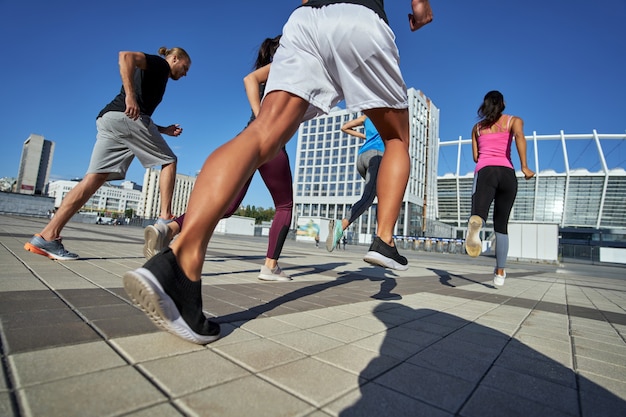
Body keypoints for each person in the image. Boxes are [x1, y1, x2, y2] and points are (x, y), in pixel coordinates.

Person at [123, 0, 434, 344]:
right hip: (360, 18)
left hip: (305, 21)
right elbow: (419, 9)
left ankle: (178, 264)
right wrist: (420, 10)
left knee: (260, 133)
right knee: (395, 138)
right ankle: (384, 239)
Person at [143, 36, 294, 282]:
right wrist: (262, 120)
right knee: (284, 205)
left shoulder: (271, 73)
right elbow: (249, 80)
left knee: (228, 205)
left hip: (245, 138)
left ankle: (168, 228)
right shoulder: (287, 67)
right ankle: (270, 266)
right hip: (270, 142)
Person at [24, 47, 190, 260]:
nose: (185, 73)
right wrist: (130, 97)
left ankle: (48, 236)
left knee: (92, 180)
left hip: (110, 119)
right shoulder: (160, 64)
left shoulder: (157, 75)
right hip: (125, 118)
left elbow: (141, 113)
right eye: (185, 67)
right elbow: (125, 56)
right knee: (169, 160)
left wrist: (162, 129)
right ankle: (166, 218)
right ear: (174, 58)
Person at [464, 90, 535, 287]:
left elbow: (476, 157)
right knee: (501, 225)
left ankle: (476, 220)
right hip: (508, 175)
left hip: (486, 171)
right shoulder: (514, 121)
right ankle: (500, 271)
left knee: (478, 213)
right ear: (502, 103)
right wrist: (525, 166)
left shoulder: (477, 128)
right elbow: (519, 137)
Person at [326, 115, 384, 252]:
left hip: (362, 157)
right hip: (376, 156)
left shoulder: (366, 116)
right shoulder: (385, 114)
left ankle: (381, 237)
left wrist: (366, 137)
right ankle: (342, 225)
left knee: (379, 194)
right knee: (368, 197)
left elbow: (344, 127)